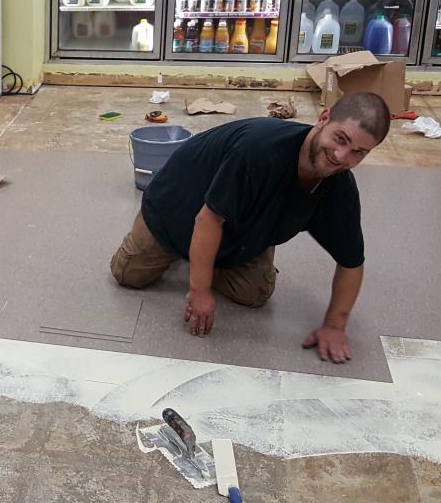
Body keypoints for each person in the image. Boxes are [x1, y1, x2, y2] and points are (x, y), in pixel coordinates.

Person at [110, 92, 391, 364]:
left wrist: (335, 326)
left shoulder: (338, 187)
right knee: (128, 274)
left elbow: (352, 263)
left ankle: (206, 256)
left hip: (242, 226)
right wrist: (200, 290)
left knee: (254, 293)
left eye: (358, 152)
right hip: (177, 211)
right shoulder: (260, 150)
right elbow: (207, 220)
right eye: (340, 139)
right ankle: (192, 257)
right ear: (324, 118)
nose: (341, 157)